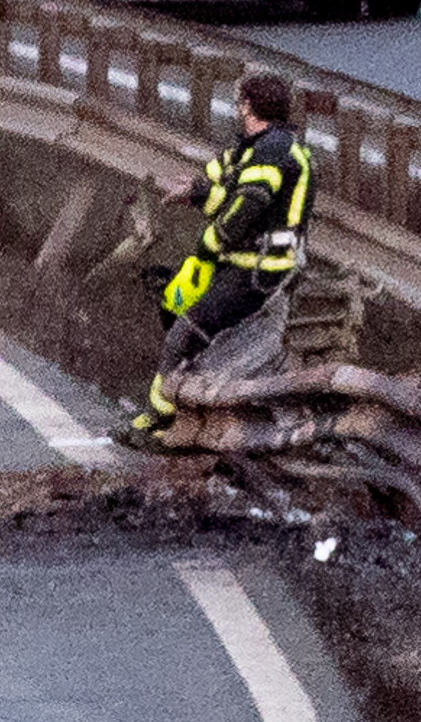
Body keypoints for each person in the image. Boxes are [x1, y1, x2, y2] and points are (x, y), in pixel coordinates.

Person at [125, 71, 317, 446]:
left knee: (186, 332)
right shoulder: (252, 145)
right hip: (238, 262)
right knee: (172, 301)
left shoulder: (273, 152)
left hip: (259, 269)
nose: (236, 107)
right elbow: (221, 178)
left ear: (248, 105)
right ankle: (181, 407)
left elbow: (246, 209)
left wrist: (211, 242)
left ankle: (160, 420)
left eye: (238, 100)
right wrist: (195, 190)